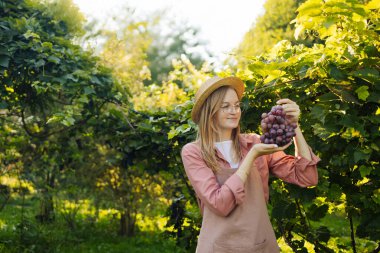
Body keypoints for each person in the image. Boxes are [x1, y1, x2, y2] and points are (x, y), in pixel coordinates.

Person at [181, 76, 320, 253]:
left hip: (260, 244)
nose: (234, 111)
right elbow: (219, 203)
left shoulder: (254, 142)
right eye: (225, 106)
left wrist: (295, 126)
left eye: (237, 105)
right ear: (209, 111)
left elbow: (306, 177)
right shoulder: (193, 152)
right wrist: (252, 156)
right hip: (217, 247)